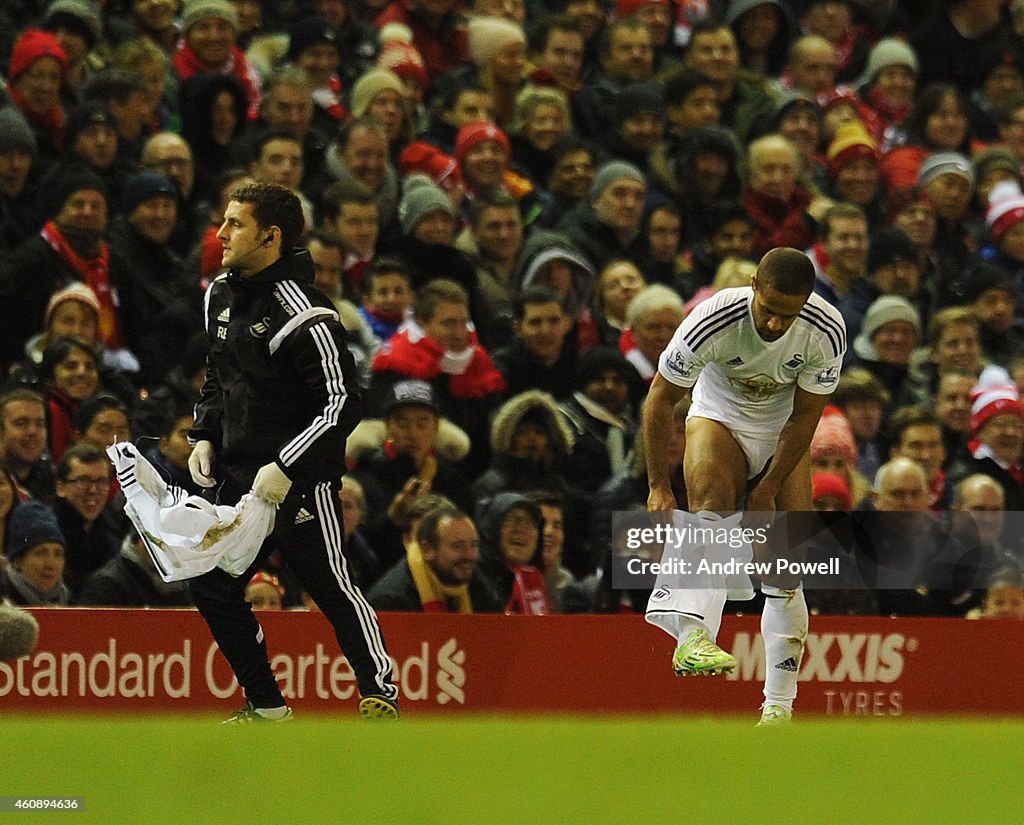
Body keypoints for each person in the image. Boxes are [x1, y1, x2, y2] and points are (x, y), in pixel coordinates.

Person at [187, 181, 398, 722]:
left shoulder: (306, 314)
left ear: (270, 236)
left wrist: (286, 465)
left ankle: (380, 694)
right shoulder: (219, 295)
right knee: (211, 586)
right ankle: (267, 706)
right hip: (237, 480)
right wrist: (205, 434)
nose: (221, 234)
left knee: (330, 583)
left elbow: (343, 402)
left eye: (235, 224)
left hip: (299, 483)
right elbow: (219, 377)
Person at [643, 247, 846, 726]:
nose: (775, 325)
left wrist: (768, 487)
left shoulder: (826, 329)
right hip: (719, 418)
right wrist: (658, 487)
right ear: (754, 284)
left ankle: (778, 708)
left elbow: (806, 416)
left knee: (783, 570)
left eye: (787, 316)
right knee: (711, 508)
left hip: (782, 435)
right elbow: (660, 400)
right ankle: (692, 636)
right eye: (769, 311)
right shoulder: (711, 319)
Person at [367, 503, 502, 612]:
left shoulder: (475, 583)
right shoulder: (390, 602)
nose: (469, 555)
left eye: (474, 545)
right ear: (427, 550)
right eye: (457, 546)